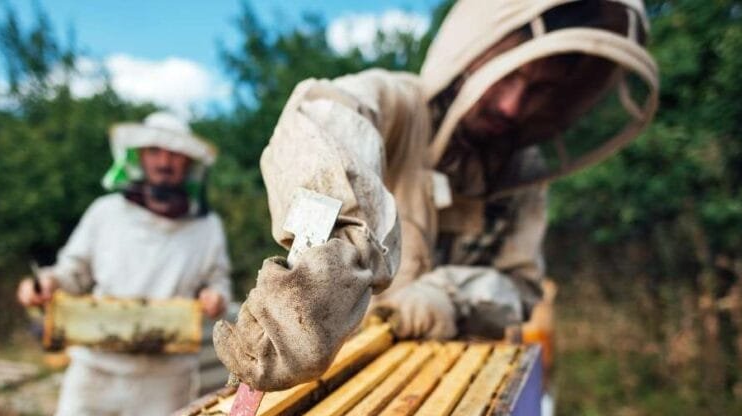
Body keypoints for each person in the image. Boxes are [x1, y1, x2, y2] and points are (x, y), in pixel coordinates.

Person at [215, 0, 658, 391]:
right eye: (510, 74)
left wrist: (447, 297)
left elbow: (521, 288)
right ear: (473, 51)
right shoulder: (398, 104)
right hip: (342, 377)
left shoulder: (522, 172)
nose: (512, 105)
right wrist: (333, 250)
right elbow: (322, 116)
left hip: (456, 383)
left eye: (539, 90)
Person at [18, 112, 232, 416]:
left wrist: (215, 296)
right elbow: (72, 271)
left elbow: (217, 280)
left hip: (165, 377)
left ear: (189, 165)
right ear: (139, 157)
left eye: (175, 154)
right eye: (155, 151)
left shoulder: (207, 228)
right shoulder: (105, 213)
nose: (164, 161)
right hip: (95, 370)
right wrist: (47, 283)